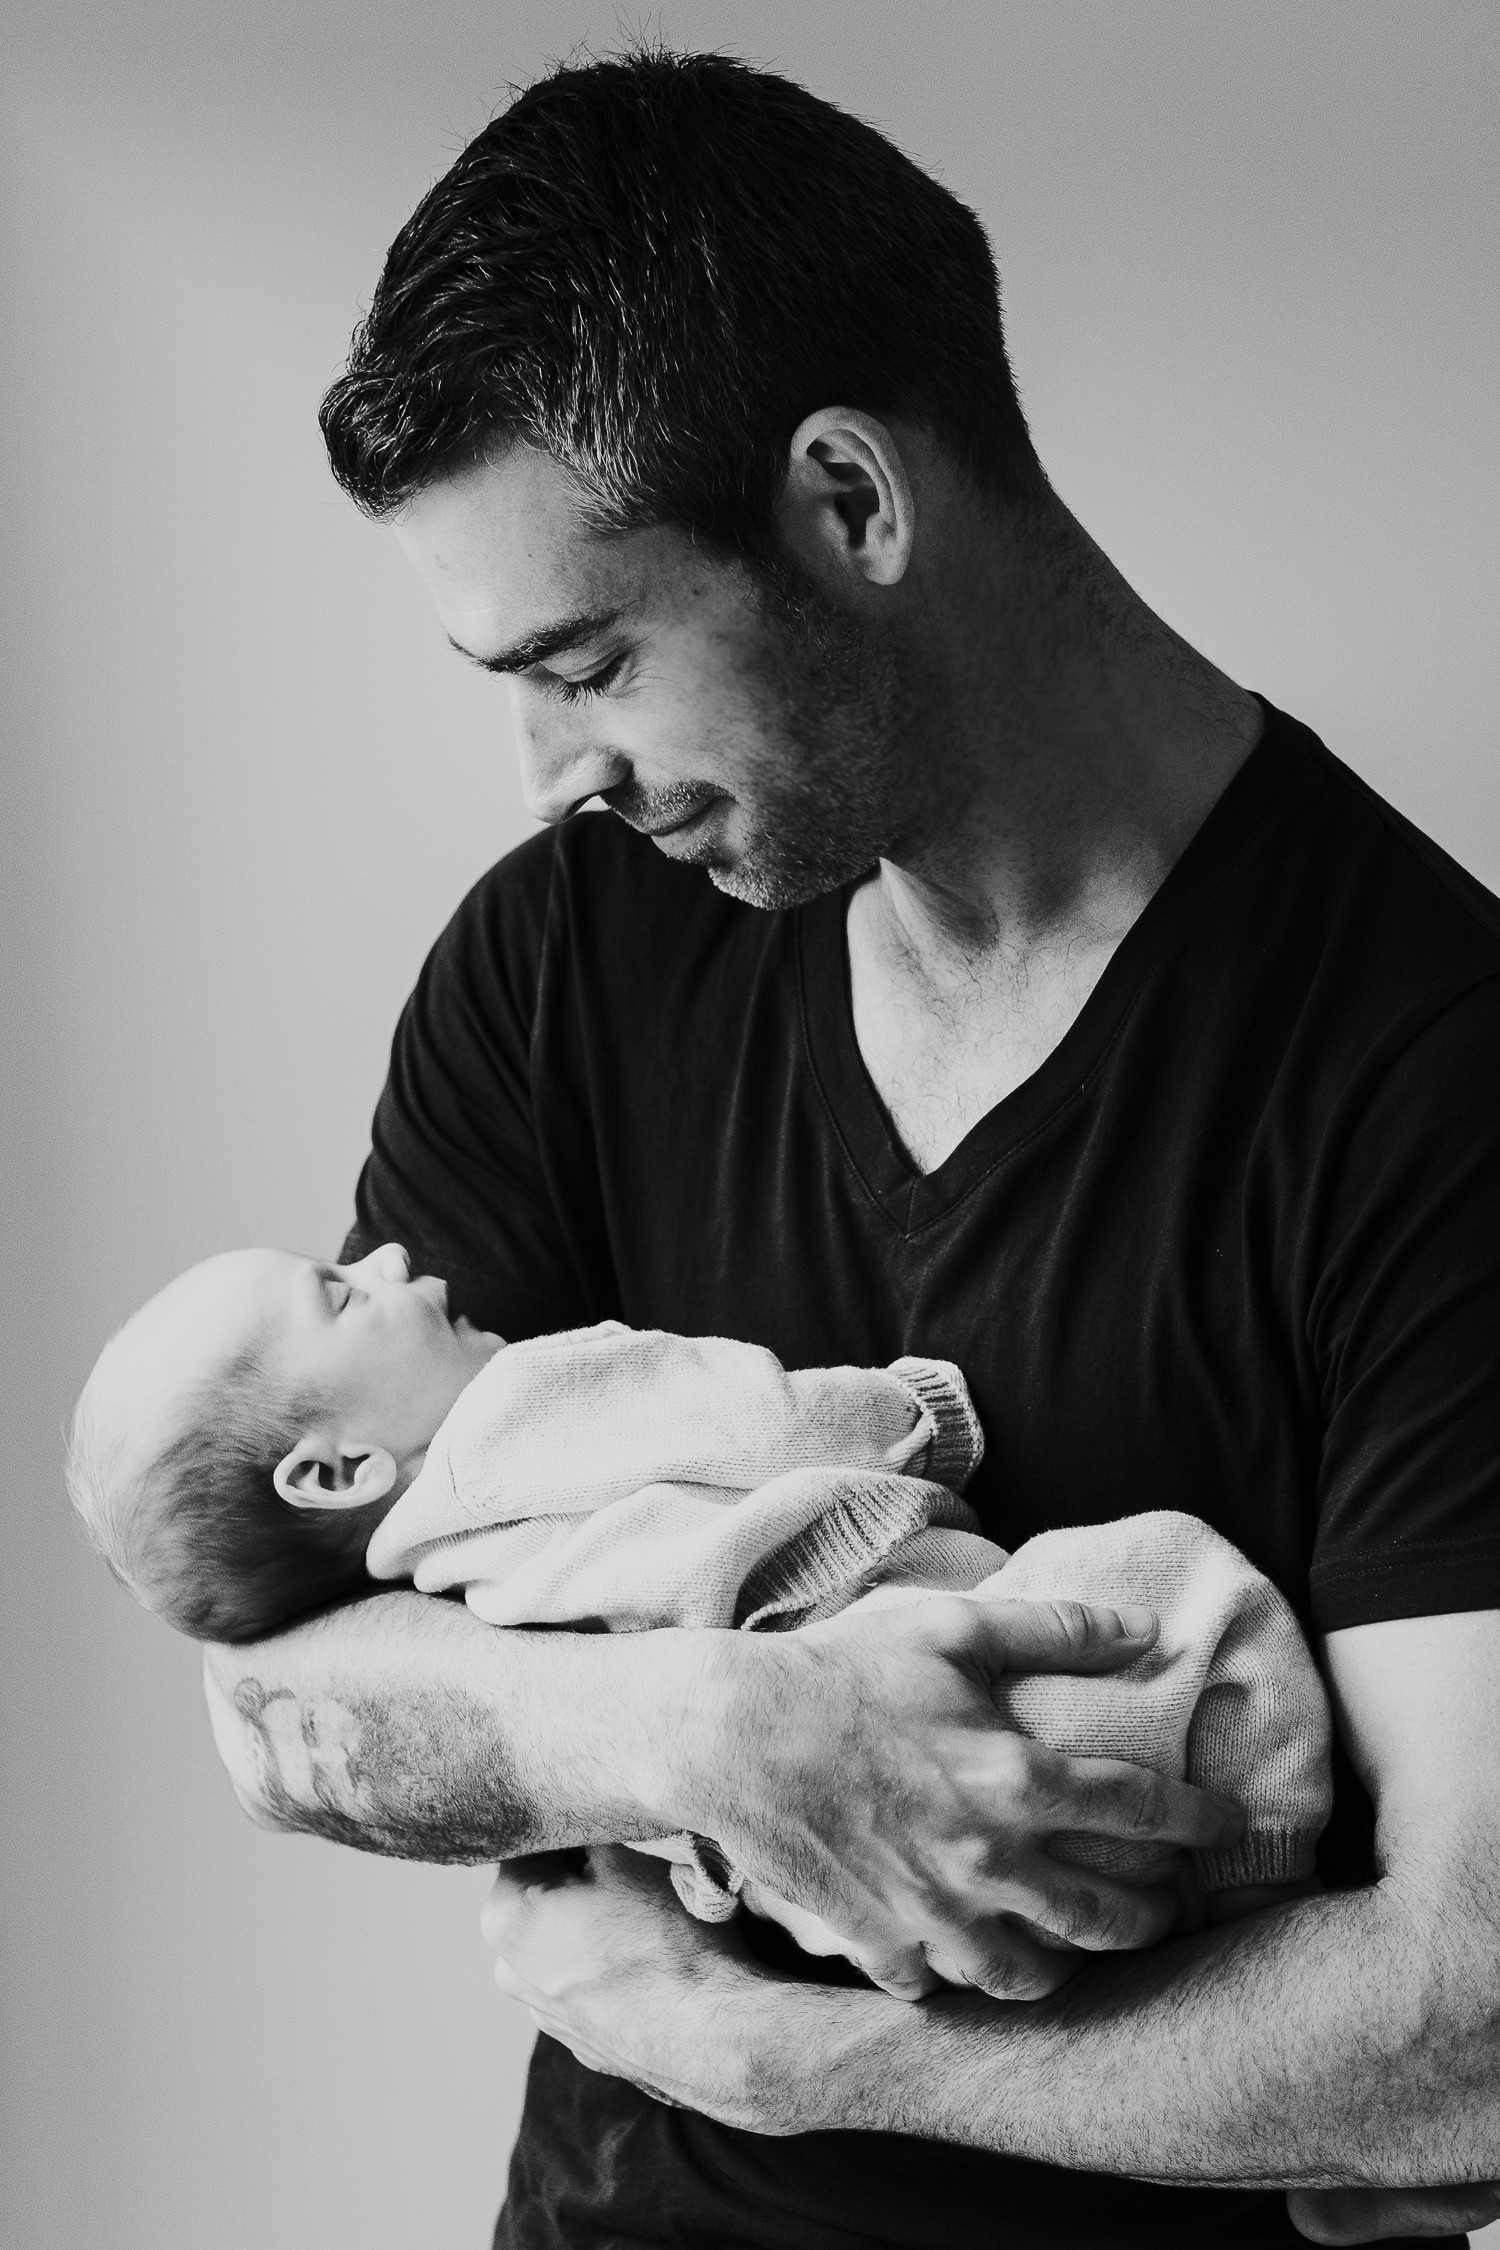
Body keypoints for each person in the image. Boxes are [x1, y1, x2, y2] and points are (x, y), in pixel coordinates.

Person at [198, 47, 1500, 2250]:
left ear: (850, 504)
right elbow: (284, 1680)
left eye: (590, 660)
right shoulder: (563, 956)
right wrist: (716, 1739)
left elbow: (1475, 2015)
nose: (549, 770)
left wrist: (779, 2061)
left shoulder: (1428, 1070)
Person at [66, 1242, 1331, 1975]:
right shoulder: (525, 1408)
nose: (391, 1259)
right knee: (1196, 1597)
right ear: (331, 1472)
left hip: (826, 1896)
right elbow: (749, 1415)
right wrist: (917, 1415)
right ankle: (1262, 1904)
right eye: (341, 1293)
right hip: (978, 1689)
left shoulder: (434, 1588)